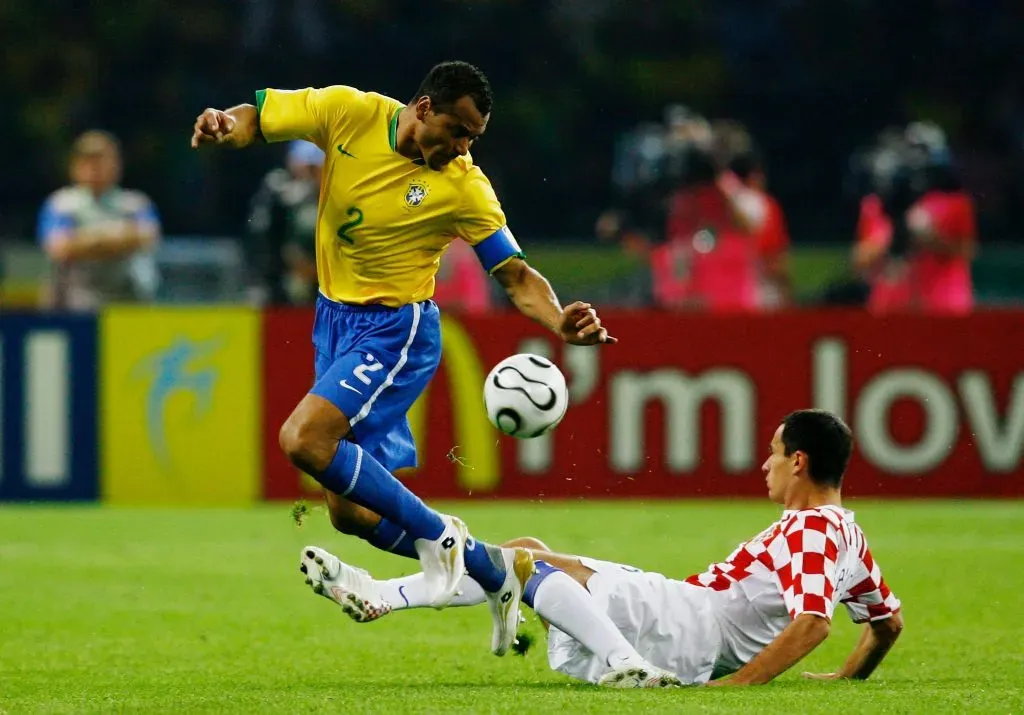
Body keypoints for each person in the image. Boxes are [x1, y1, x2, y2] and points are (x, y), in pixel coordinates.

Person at [190, 61, 616, 656]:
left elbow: (514, 274)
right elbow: (256, 119)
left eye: (473, 137)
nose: (463, 146)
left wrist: (558, 319)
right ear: (422, 107)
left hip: (397, 329)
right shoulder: (349, 113)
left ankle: (446, 540)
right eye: (457, 129)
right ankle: (492, 573)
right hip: (334, 319)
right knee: (348, 515)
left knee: (302, 440)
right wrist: (221, 126)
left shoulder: (464, 185)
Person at [301, 409, 904, 688]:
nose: (765, 465)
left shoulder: (814, 530)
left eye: (774, 452)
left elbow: (812, 624)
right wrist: (843, 682)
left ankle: (623, 663)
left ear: (799, 461)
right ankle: (382, 592)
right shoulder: (847, 535)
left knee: (527, 565)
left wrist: (740, 685)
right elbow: (887, 624)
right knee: (527, 550)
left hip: (694, 625)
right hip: (687, 608)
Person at [37, 130, 162, 310]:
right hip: (75, 303)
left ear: (117, 164)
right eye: (88, 161)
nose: (95, 168)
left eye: (102, 161)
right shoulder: (61, 204)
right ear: (74, 166)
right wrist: (115, 239)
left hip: (127, 300)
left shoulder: (135, 203)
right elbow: (58, 246)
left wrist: (83, 242)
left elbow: (147, 237)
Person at [247, 140, 325, 305]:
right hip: (282, 284)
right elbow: (263, 236)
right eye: (308, 166)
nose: (311, 173)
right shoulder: (277, 190)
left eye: (315, 168)